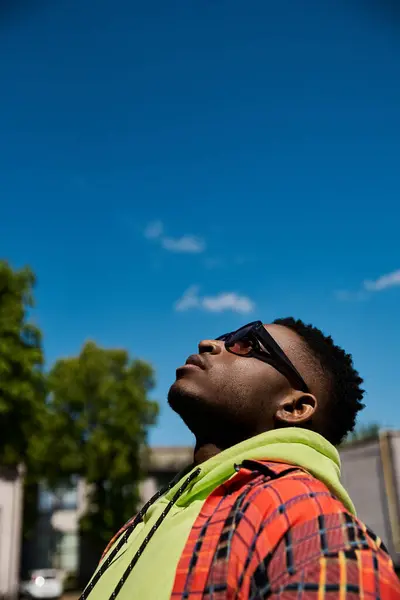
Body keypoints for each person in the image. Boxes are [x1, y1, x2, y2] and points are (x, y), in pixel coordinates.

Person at [81, 318, 400, 600]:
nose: (209, 343)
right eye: (226, 337)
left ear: (294, 407)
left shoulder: (303, 517)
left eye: (247, 344)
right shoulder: (148, 518)